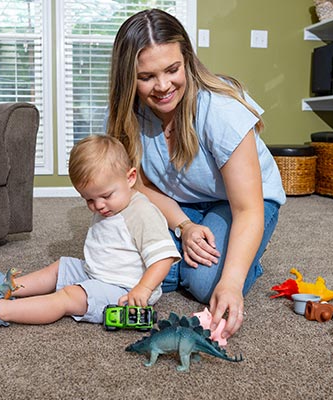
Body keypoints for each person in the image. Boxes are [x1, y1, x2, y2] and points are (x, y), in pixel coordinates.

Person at [106, 9, 286, 340]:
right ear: (127, 77)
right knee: (121, 258)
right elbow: (139, 185)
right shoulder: (130, 114)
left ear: (187, 60)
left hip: (240, 205)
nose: (162, 87)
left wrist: (231, 283)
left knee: (206, 284)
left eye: (172, 70)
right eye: (146, 77)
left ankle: (248, 258)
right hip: (182, 204)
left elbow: (247, 208)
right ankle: (212, 249)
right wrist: (183, 226)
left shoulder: (220, 109)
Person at [0, 135, 180, 331]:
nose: (98, 206)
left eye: (106, 195)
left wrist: (142, 289)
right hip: (97, 272)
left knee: (68, 297)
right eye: (89, 200)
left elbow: (164, 258)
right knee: (60, 267)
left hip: (124, 289)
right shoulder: (112, 204)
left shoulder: (142, 213)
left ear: (131, 178)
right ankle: (7, 287)